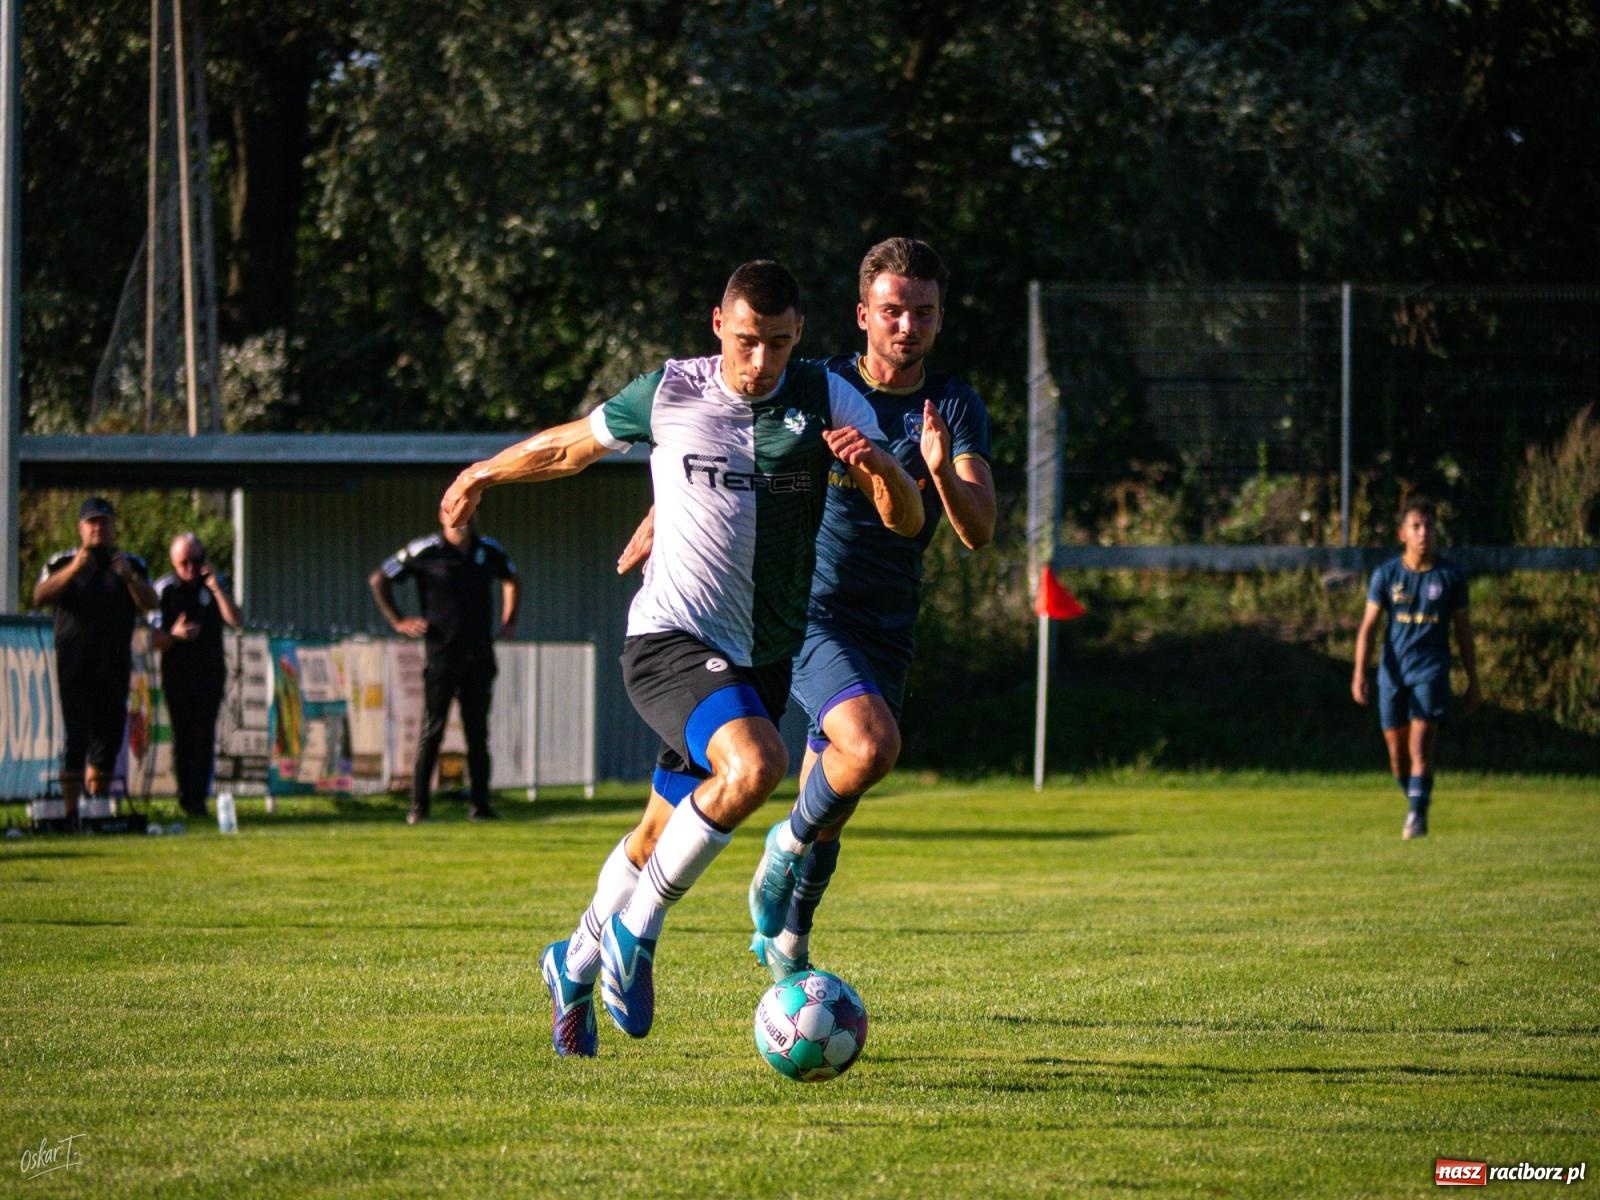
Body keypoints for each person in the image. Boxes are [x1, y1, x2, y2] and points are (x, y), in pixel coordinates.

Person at [440, 259, 923, 1057]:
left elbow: (904, 518)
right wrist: (480, 473)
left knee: (655, 834)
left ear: (798, 336)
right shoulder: (670, 390)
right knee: (756, 765)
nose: (759, 362)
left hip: (758, 658)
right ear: (716, 326)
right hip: (669, 639)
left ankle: (574, 961)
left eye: (775, 343)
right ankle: (637, 933)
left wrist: (877, 468)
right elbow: (571, 449)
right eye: (744, 341)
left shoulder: (827, 399)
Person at [601, 237, 996, 991]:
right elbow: (722, 445)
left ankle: (789, 937)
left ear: (941, 320)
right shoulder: (814, 385)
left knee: (839, 794)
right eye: (891, 311)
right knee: (872, 746)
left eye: (923, 312)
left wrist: (941, 471)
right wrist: (666, 511)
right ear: (860, 315)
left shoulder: (951, 406)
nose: (906, 326)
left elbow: (977, 531)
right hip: (810, 611)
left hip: (887, 620)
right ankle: (775, 854)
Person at [369, 519, 521, 824]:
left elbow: (512, 579)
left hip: (478, 656)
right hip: (441, 657)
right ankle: (419, 808)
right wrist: (398, 621)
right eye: (456, 513)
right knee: (432, 730)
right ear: (444, 516)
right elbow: (379, 579)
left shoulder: (488, 550)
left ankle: (481, 806)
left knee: (477, 733)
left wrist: (509, 621)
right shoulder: (425, 550)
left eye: (469, 512)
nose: (463, 520)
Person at [1352, 497, 1482, 839]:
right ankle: (1416, 800)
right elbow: (1368, 627)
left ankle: (1415, 818)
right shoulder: (1386, 575)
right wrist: (1359, 673)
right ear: (1402, 534)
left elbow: (1464, 633)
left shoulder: (1450, 577)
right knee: (1398, 756)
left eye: (1429, 526)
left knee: (1421, 745)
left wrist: (1473, 679)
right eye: (1416, 526)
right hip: (1393, 674)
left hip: (1432, 670)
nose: (1424, 533)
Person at [33, 497, 159, 820]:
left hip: (114, 662)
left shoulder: (130, 563)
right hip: (74, 662)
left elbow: (151, 603)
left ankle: (97, 806)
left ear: (113, 525)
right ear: (81, 527)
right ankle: (71, 811)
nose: (98, 528)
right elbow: (40, 596)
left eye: (104, 522)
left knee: (107, 738)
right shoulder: (61, 561)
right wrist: (76, 567)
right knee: (76, 736)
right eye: (92, 522)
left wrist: (129, 577)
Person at [151, 533, 244, 818]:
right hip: (178, 674)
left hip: (210, 672)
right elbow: (154, 638)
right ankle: (186, 796)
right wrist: (175, 636)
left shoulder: (215, 583)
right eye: (184, 563)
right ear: (174, 562)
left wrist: (216, 587)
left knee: (204, 736)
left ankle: (198, 799)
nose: (191, 568)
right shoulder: (165, 589)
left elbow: (236, 620)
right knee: (184, 736)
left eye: (197, 561)